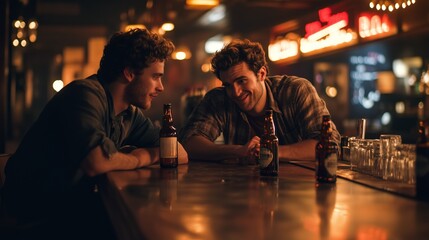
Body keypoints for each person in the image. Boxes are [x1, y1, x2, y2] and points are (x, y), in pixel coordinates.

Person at [1, 28, 188, 239]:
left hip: (70, 206)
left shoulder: (129, 113)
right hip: (34, 215)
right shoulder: (85, 94)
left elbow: (179, 152)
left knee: (149, 219)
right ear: (129, 73)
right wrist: (140, 157)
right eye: (155, 77)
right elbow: (96, 163)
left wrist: (141, 155)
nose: (161, 87)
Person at [179, 38, 340, 162]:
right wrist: (238, 151)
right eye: (227, 85)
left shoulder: (296, 90)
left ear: (261, 74)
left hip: (302, 191)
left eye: (242, 81)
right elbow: (189, 143)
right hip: (242, 193)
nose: (235, 92)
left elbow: (330, 144)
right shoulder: (219, 98)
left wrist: (269, 150)